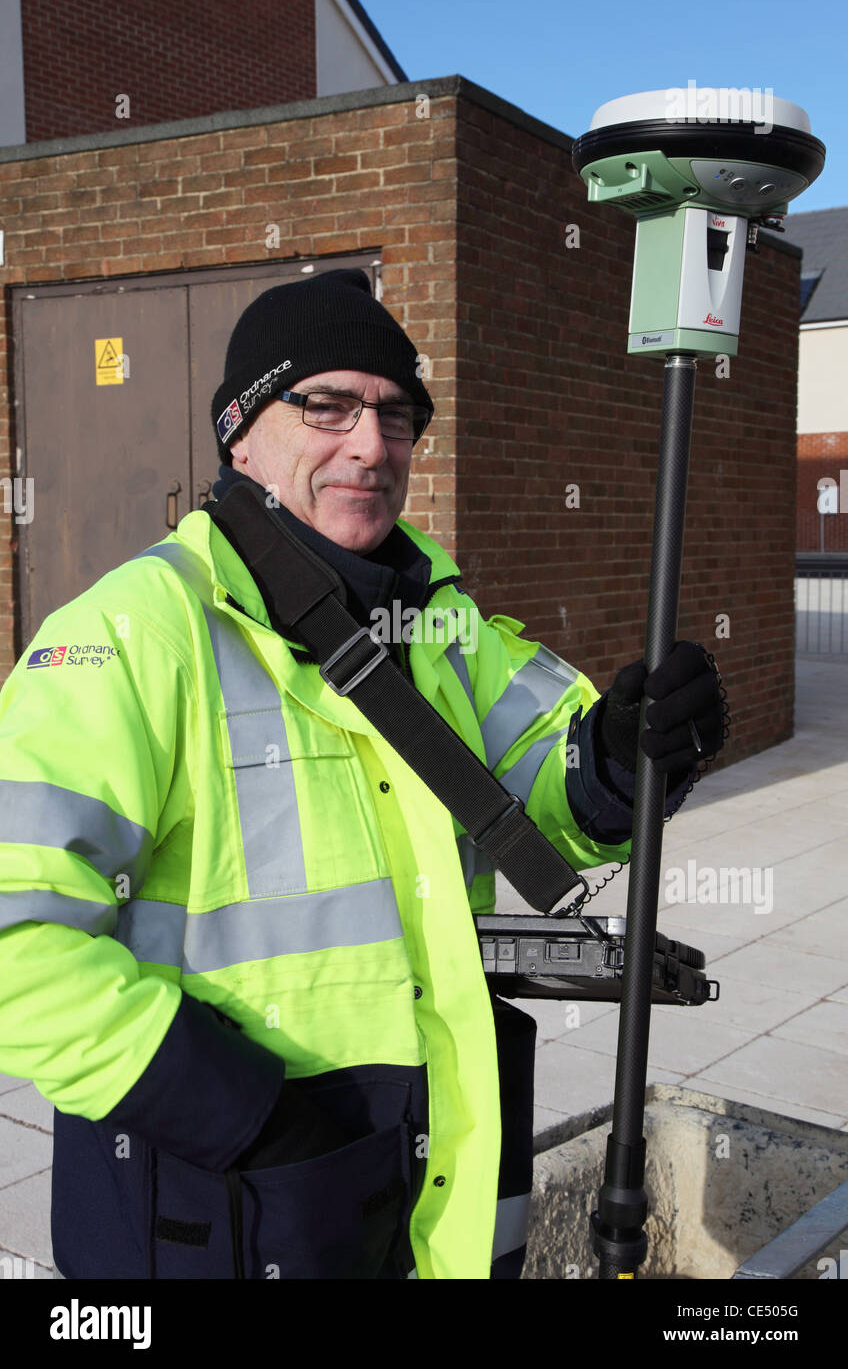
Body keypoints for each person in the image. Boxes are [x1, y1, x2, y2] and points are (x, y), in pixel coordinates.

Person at [0, 269, 724, 1280]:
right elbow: (17, 945)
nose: (370, 446)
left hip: (428, 1175)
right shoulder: (130, 637)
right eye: (326, 406)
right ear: (241, 433)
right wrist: (249, 1117)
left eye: (396, 415)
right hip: (228, 1198)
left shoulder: (436, 618)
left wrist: (629, 746)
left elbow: (559, 790)